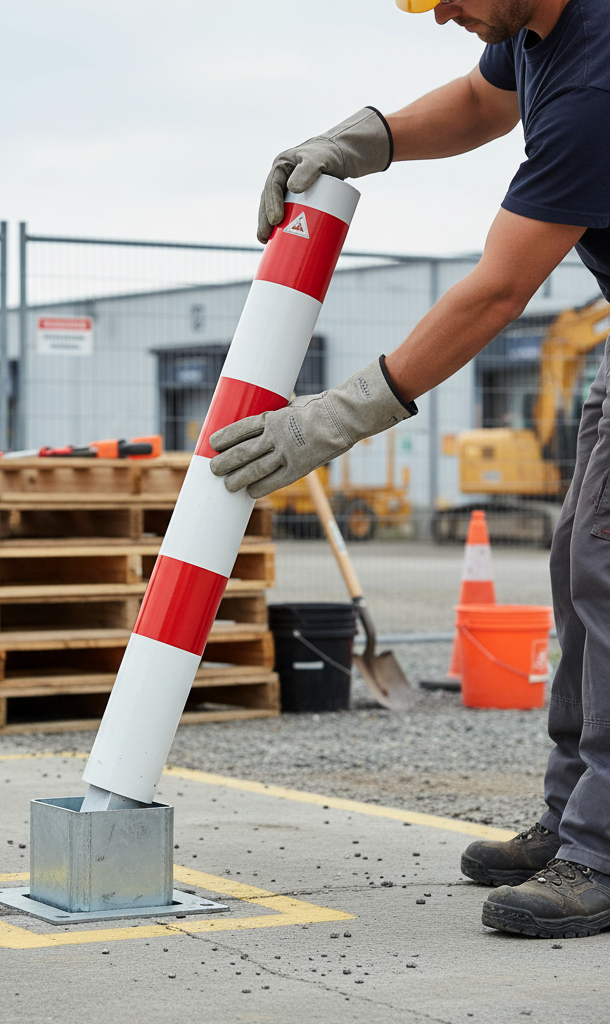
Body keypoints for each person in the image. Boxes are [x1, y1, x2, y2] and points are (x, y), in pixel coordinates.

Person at [210, 0, 610, 939]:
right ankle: (572, 819)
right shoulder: (531, 34)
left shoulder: (598, 80)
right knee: (577, 564)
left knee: (609, 575)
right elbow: (478, 105)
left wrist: (338, 418)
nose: (443, 18)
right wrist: (363, 139)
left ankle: (603, 845)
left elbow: (500, 289)